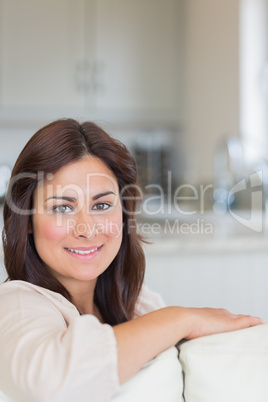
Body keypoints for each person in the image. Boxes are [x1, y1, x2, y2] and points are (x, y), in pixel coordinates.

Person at [0, 119, 263, 402]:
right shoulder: (15, 304)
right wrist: (181, 318)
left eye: (101, 205)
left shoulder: (139, 303)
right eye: (62, 207)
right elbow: (54, 384)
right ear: (27, 221)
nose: (87, 229)